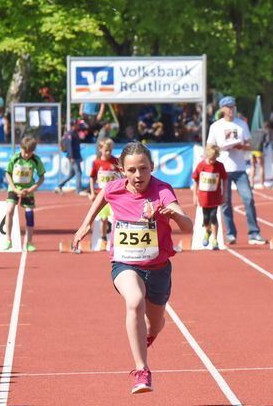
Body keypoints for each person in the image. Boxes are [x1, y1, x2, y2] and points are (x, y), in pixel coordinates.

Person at [73, 142, 193, 393]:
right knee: (135, 301)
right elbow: (102, 196)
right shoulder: (114, 188)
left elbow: (189, 227)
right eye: (131, 170)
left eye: (143, 169)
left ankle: (148, 334)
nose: (138, 175)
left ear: (152, 167)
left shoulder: (163, 191)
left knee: (157, 323)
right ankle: (142, 370)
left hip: (158, 267)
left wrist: (170, 214)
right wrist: (86, 224)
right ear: (121, 169)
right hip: (125, 264)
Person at [206, 96, 265, 245]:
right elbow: (209, 147)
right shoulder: (216, 126)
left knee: (248, 199)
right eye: (228, 107)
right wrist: (220, 148)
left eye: (233, 106)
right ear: (222, 109)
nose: (231, 109)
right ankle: (231, 233)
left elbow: (250, 144)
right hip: (222, 168)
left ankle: (254, 233)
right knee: (225, 202)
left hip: (239, 168)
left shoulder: (241, 124)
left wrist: (241, 146)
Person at [4, 136, 46, 252]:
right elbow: (8, 173)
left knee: (29, 215)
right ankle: (8, 239)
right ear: (20, 148)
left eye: (29, 153)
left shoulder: (36, 160)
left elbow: (42, 177)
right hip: (14, 188)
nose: (26, 155)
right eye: (25, 152)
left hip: (28, 190)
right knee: (9, 210)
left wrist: (32, 189)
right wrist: (14, 189)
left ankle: (29, 242)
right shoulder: (15, 158)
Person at [191, 144, 228, 250]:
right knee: (206, 219)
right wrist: (194, 195)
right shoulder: (201, 166)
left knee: (213, 216)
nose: (212, 161)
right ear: (207, 156)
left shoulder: (219, 166)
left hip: (215, 197)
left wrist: (224, 194)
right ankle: (208, 231)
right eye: (211, 159)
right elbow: (196, 180)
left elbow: (224, 179)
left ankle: (215, 240)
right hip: (203, 197)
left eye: (215, 159)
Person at [89, 138, 123, 249]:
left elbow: (122, 176)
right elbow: (92, 178)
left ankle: (113, 239)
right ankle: (103, 238)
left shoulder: (115, 162)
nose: (108, 152)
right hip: (101, 195)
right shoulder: (96, 163)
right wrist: (92, 192)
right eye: (106, 150)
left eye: (110, 150)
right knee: (103, 218)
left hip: (114, 196)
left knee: (114, 218)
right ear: (100, 149)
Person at [58, 122, 84, 195]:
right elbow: (70, 146)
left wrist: (80, 156)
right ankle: (78, 190)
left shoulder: (75, 133)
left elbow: (77, 147)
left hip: (76, 156)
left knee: (71, 174)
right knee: (78, 173)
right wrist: (72, 157)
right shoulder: (70, 134)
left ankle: (60, 185)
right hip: (73, 157)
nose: (79, 126)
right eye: (77, 124)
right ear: (74, 125)